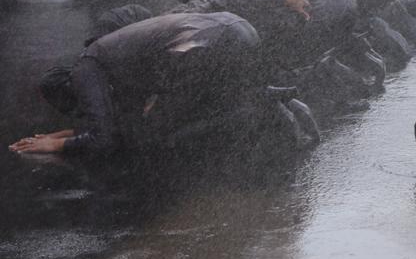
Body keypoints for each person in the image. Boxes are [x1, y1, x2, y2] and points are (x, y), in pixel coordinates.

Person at [9, 12, 264, 156]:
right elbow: (121, 124)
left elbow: (104, 139)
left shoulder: (87, 68)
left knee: (155, 133)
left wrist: (54, 144)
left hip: (207, 41)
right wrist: (73, 134)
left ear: (70, 90)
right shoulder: (114, 63)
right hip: (239, 28)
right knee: (239, 100)